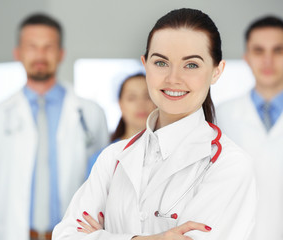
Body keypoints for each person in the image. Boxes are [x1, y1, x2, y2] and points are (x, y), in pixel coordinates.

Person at [52, 8, 257, 240]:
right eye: (161, 63)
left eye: (191, 65)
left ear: (216, 71)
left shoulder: (229, 165)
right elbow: (65, 236)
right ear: (145, 64)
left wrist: (102, 235)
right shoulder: (113, 158)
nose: (173, 78)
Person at [0, 13, 109, 240]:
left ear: (61, 53)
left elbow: (104, 183)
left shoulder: (91, 113)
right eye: (32, 47)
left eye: (49, 47)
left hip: (74, 235)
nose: (40, 55)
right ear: (18, 53)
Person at [216, 15, 283, 240]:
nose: (268, 61)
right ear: (246, 57)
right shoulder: (220, 116)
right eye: (258, 51)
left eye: (278, 50)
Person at [86, 73, 156, 176]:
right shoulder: (101, 159)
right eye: (131, 98)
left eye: (148, 96)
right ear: (121, 105)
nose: (141, 104)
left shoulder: (169, 153)